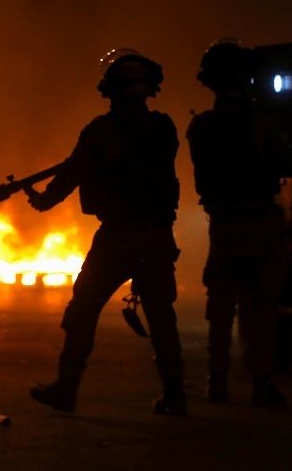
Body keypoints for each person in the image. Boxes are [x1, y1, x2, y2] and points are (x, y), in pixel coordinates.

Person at [24, 49, 186, 416]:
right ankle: (176, 395)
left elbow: (72, 173)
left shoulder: (100, 132)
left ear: (110, 90)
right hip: (158, 236)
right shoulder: (164, 128)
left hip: (118, 238)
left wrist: (44, 200)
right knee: (162, 316)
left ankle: (66, 389)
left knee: (83, 308)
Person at [186, 40, 292, 406]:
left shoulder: (200, 127)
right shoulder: (261, 121)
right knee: (261, 310)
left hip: (224, 226)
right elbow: (289, 162)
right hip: (262, 224)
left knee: (220, 311)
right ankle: (261, 383)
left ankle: (216, 384)